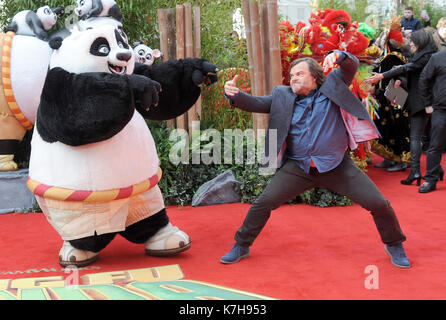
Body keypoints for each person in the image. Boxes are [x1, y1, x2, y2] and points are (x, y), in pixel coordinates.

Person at [220, 50, 410, 268]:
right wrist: (233, 95)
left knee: (379, 203)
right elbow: (255, 103)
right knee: (263, 203)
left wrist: (339, 55)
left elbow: (351, 66)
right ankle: (241, 245)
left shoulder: (333, 86)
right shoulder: (282, 96)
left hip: (336, 165)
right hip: (298, 167)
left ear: (314, 77)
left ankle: (394, 243)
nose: (294, 78)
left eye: (300, 74)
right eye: (292, 75)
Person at [365, 29, 438, 186]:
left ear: (421, 43)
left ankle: (416, 171)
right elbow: (412, 74)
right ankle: (432, 170)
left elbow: (406, 68)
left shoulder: (426, 57)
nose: (410, 43)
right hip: (418, 100)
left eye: (413, 41)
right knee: (421, 137)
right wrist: (401, 81)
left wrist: (382, 76)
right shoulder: (424, 55)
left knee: (416, 138)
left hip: (422, 102)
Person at [418, 46, 446, 193]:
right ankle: (431, 179)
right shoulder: (438, 57)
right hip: (441, 108)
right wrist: (428, 103)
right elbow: (424, 79)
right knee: (435, 145)